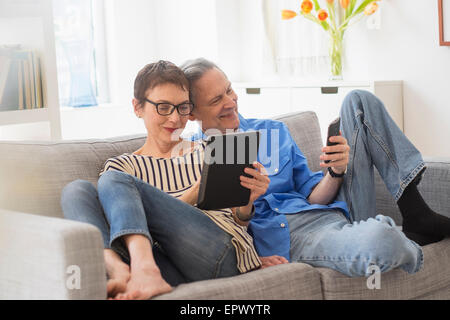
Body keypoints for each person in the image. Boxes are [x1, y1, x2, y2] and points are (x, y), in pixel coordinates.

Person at [180, 57, 450, 277]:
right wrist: (251, 259)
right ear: (190, 112)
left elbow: (312, 195)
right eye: (216, 100)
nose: (230, 101)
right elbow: (210, 233)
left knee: (358, 101)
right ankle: (395, 241)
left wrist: (336, 171)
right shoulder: (192, 158)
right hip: (295, 237)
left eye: (229, 90)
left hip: (331, 209)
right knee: (382, 240)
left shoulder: (273, 131)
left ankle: (414, 210)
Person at [60, 60, 269, 300]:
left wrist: (247, 201)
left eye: (182, 108)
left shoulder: (212, 149)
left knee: (113, 181)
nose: (174, 119)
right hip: (167, 264)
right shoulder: (122, 166)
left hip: (217, 254)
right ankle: (115, 266)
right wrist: (192, 195)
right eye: (163, 107)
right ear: (137, 107)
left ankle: (143, 269)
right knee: (76, 190)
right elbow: (125, 225)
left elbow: (239, 222)